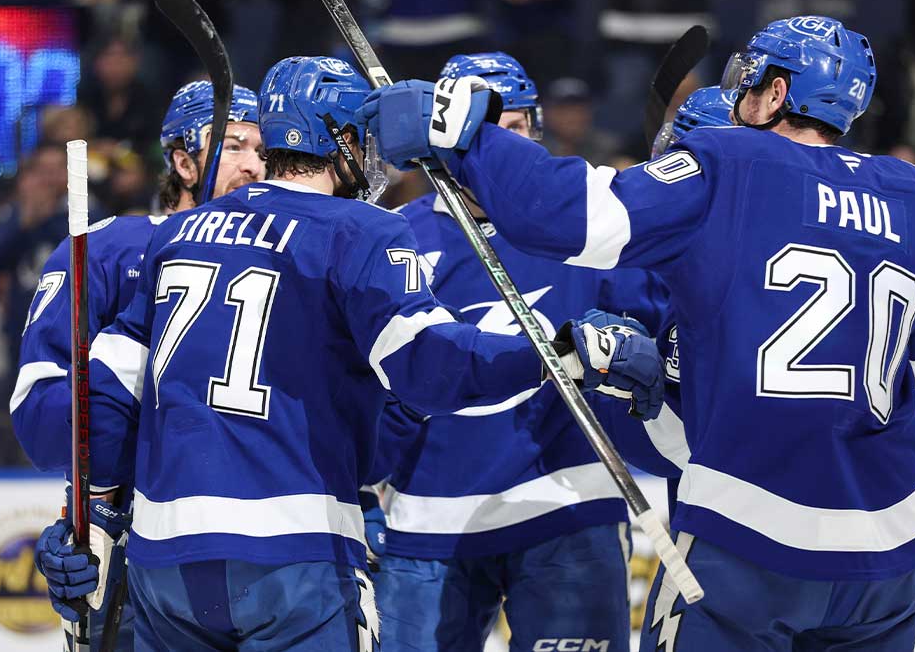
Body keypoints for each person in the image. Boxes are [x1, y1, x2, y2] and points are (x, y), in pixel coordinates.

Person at [358, 15, 915, 650]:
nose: (740, 98)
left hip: (748, 535)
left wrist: (461, 130)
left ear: (777, 94)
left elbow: (568, 213)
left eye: (750, 85)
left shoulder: (732, 159)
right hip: (889, 551)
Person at [73, 55, 662, 652]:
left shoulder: (177, 232)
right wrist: (558, 354)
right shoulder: (360, 229)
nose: (376, 154)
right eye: (365, 135)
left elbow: (109, 387)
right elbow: (432, 366)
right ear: (339, 136)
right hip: (293, 551)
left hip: (164, 557)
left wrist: (94, 512)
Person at [370, 52, 671, 652]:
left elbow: (672, 327)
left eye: (510, 130)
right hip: (428, 518)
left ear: (534, 131)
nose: (491, 152)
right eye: (479, 131)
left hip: (568, 506)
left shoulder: (590, 226)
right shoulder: (391, 236)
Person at [12, 80, 263, 651]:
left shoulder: (290, 255)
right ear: (183, 161)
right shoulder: (113, 248)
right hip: (134, 551)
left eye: (263, 150)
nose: (255, 165)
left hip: (265, 556)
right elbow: (41, 424)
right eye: (237, 145)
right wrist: (95, 500)